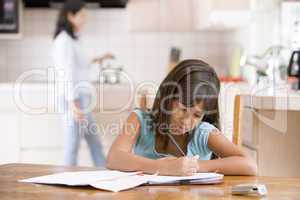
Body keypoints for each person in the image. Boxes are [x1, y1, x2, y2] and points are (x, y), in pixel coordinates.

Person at [107, 59, 257, 176]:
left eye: (197, 115)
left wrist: (196, 166)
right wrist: (164, 167)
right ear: (167, 98)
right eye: (182, 109)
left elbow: (249, 165)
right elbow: (114, 158)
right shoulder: (140, 120)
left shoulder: (204, 133)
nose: (186, 121)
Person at [52, 0, 112, 167]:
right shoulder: (64, 41)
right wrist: (74, 103)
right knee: (73, 144)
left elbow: (80, 63)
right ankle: (65, 181)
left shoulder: (74, 40)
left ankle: (105, 173)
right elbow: (66, 73)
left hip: (80, 98)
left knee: (93, 141)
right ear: (71, 16)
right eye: (82, 15)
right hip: (74, 99)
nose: (85, 19)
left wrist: (99, 58)